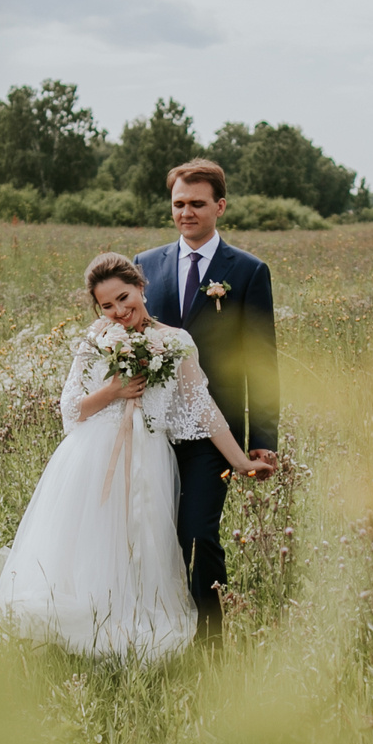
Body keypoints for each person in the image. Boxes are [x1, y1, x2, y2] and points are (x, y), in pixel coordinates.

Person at [0, 253, 275, 661]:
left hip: (150, 457)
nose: (119, 311)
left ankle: (133, 626)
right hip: (93, 457)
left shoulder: (175, 341)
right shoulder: (95, 339)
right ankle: (84, 627)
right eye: (107, 305)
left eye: (124, 297)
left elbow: (202, 407)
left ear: (141, 287)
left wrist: (241, 461)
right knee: (93, 545)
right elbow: (70, 408)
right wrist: (114, 391)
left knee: (144, 545)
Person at [136, 160, 279, 637]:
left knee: (198, 533)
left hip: (211, 433)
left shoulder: (248, 271)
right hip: (150, 430)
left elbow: (261, 361)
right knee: (154, 537)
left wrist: (262, 438)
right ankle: (159, 635)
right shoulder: (145, 264)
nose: (186, 212)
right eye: (178, 204)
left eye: (197, 204)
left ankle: (209, 646)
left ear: (220, 206)